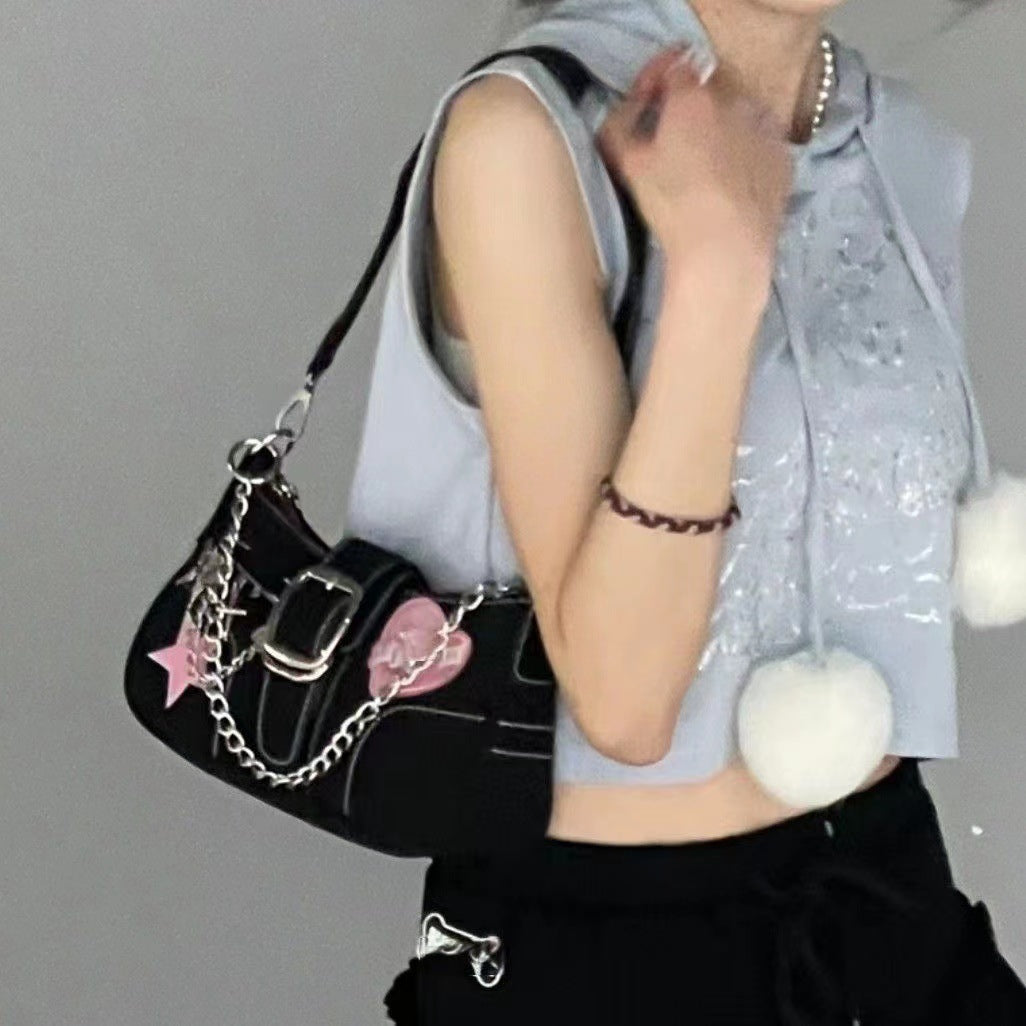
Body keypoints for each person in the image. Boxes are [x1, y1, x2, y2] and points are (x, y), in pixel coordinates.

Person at [340, 0, 1026, 1021]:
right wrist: (717, 273)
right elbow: (623, 705)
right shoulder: (526, 135)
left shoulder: (906, 147)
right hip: (614, 959)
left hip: (891, 902)